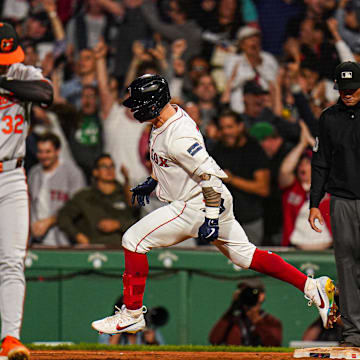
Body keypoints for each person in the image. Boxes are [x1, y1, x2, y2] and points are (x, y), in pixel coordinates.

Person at [91, 74, 338, 337]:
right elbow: (172, 163)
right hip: (205, 200)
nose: (133, 108)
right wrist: (152, 182)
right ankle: (312, 287)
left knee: (133, 240)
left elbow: (209, 175)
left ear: (153, 103)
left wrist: (209, 217)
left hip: (198, 203)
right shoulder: (167, 116)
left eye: (138, 102)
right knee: (245, 256)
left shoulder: (178, 136)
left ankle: (131, 314)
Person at [0, 22, 53, 360]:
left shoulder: (22, 72)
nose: (7, 61)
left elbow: (46, 95)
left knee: (12, 262)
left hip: (11, 175)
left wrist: (4, 82)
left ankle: (10, 338)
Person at [309, 61, 360, 347]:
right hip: (341, 200)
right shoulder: (329, 118)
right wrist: (314, 202)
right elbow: (320, 163)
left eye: (352, 88)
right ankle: (353, 334)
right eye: (343, 88)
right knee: (346, 268)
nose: (348, 93)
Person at [211, 110, 270, 246]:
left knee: (250, 262)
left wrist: (232, 180)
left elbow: (263, 188)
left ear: (240, 126)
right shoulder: (217, 149)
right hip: (222, 220)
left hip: (249, 220)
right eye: (222, 128)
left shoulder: (254, 150)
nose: (226, 132)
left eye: (230, 127)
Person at [58, 154, 136, 246]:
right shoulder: (84, 196)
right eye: (104, 167)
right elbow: (63, 217)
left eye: (112, 166)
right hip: (93, 250)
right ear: (95, 172)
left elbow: (138, 221)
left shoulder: (125, 194)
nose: (109, 170)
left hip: (121, 249)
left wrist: (118, 224)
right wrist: (78, 236)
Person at [28, 132, 86, 246]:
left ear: (57, 151)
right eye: (40, 152)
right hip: (36, 239)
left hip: (64, 239)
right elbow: (30, 203)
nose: (43, 156)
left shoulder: (72, 173)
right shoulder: (34, 173)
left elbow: (78, 206)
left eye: (48, 151)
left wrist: (49, 221)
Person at [281, 121, 332, 250]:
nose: (303, 167)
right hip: (296, 249)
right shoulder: (293, 188)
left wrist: (311, 141)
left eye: (307, 163)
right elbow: (284, 171)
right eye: (301, 164)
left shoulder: (329, 185)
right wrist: (301, 145)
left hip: (328, 249)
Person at [209, 282, 282, 346]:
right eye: (244, 292)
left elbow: (274, 344)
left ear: (262, 296)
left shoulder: (271, 321)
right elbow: (214, 340)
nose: (248, 295)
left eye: (252, 292)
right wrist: (232, 308)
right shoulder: (232, 318)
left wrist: (257, 321)